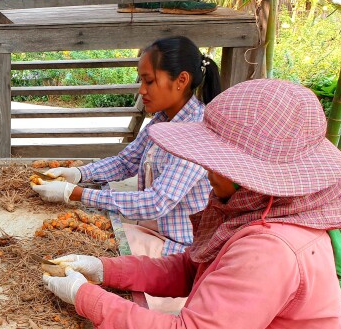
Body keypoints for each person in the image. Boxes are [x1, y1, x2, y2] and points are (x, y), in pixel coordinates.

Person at [42, 79, 341, 329]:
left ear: (249, 175)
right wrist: (104, 269)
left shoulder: (271, 248)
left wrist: (87, 298)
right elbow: (194, 269)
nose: (206, 171)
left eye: (216, 163)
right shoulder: (262, 212)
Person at [32, 36, 220, 257]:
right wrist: (78, 174)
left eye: (149, 81)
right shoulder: (162, 120)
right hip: (153, 232)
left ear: (181, 80)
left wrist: (76, 194)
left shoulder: (196, 134)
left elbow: (155, 202)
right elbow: (125, 162)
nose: (142, 90)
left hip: (180, 249)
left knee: (86, 242)